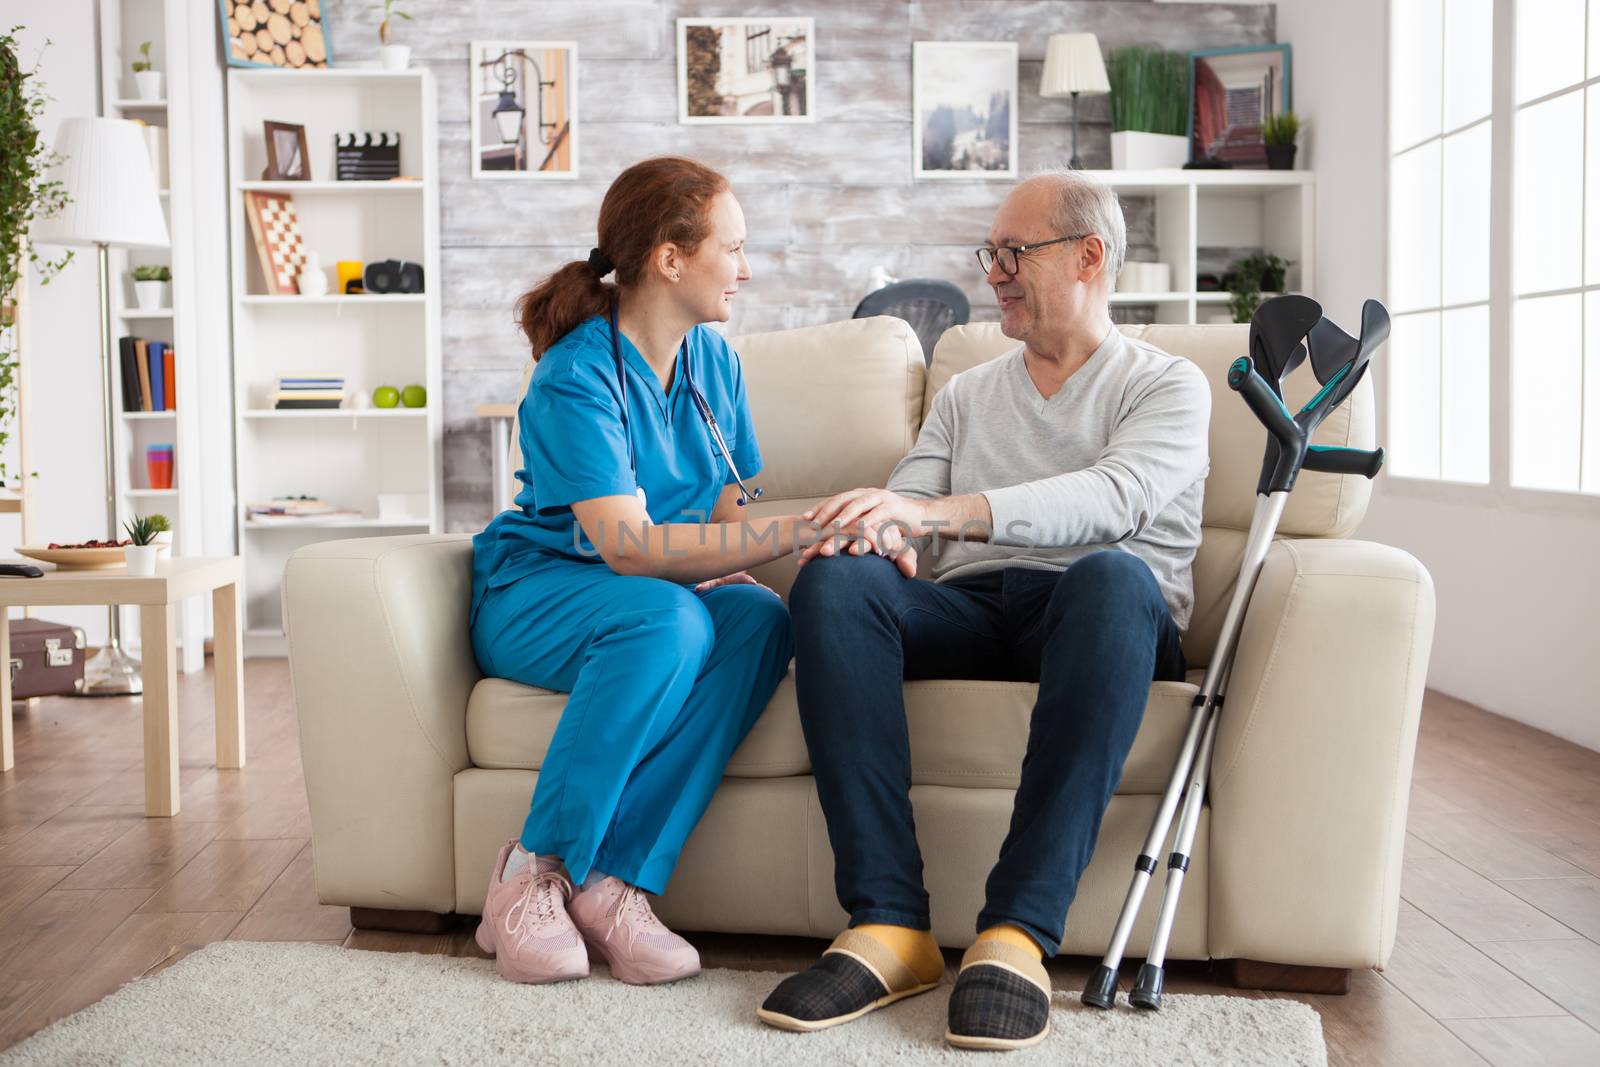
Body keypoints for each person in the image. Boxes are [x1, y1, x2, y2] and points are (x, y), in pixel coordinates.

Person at [756, 170, 1212, 1049]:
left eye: (1015, 252)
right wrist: (874, 534)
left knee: (1113, 576)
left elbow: (1113, 499)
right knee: (837, 580)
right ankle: (889, 925)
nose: (994, 271)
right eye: (989, 253)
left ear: (1089, 256)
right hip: (973, 608)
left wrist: (938, 515)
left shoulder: (1166, 385)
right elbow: (911, 508)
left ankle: (1018, 934)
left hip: (1101, 618)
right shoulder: (969, 394)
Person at [469, 157, 858, 987]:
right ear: (670, 258)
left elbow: (723, 520)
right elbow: (629, 550)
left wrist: (825, 530)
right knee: (664, 617)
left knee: (760, 620)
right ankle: (530, 875)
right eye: (735, 248)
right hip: (540, 593)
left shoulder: (713, 364)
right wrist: (794, 528)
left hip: (643, 598)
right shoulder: (577, 376)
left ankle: (615, 883)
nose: (746, 270)